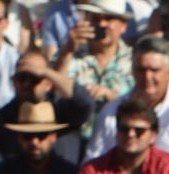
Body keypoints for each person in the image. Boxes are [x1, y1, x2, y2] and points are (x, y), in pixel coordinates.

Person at [85, 36, 169, 166]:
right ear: (132, 70)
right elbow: (93, 162)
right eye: (141, 70)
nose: (147, 77)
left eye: (154, 70)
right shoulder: (111, 112)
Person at [0, 50, 94, 173]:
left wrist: (46, 72)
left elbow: (86, 103)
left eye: (34, 78)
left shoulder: (64, 111)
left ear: (48, 83)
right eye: (21, 78)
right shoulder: (0, 121)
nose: (26, 84)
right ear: (13, 82)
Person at [56, 0, 135, 133]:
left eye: (109, 19)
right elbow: (56, 93)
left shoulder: (134, 60)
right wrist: (67, 51)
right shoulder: (70, 55)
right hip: (75, 136)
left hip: (117, 140)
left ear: (123, 26)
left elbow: (143, 106)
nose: (102, 24)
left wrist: (112, 97)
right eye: (95, 18)